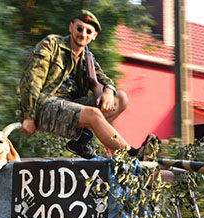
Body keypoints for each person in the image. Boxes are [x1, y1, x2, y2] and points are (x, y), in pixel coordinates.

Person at [18, 10, 156, 159]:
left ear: (94, 36)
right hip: (45, 106)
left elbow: (104, 78)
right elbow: (32, 80)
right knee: (93, 114)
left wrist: (109, 90)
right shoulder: (52, 45)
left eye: (88, 31)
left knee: (121, 98)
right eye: (79, 28)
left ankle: (81, 141)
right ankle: (131, 154)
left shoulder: (87, 58)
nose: (83, 34)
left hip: (71, 106)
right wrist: (29, 116)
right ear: (71, 27)